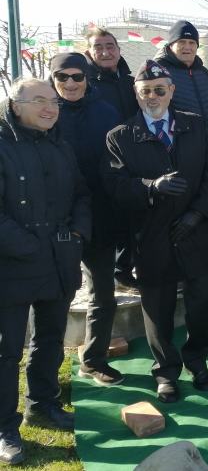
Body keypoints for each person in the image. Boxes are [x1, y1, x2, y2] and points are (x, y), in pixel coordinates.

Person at [103, 60, 208, 403]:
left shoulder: (196, 126)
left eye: (159, 89)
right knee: (157, 308)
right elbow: (115, 186)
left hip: (195, 230)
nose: (153, 96)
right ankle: (166, 371)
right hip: (151, 235)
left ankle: (198, 360)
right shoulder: (120, 137)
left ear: (171, 91)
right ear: (137, 95)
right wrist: (150, 186)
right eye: (145, 91)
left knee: (203, 301)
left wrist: (198, 214)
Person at [0, 79, 90, 466]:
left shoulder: (61, 146)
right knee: (6, 352)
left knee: (50, 339)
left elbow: (82, 195)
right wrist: (28, 246)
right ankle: (4, 428)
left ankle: (44, 403)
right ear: (15, 105)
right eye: (39, 101)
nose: (50, 107)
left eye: (53, 101)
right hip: (13, 265)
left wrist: (78, 233)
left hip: (60, 259)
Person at [50, 53, 125, 386]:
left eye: (77, 76)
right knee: (56, 298)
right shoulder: (44, 113)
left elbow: (119, 160)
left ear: (87, 77)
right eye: (62, 76)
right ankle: (46, 377)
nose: (70, 83)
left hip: (101, 215)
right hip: (56, 221)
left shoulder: (106, 112)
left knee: (103, 294)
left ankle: (93, 359)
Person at [82, 26, 138, 289]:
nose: (105, 52)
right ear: (89, 52)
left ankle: (125, 269)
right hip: (99, 162)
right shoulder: (85, 84)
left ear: (118, 50)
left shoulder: (131, 81)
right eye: (99, 47)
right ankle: (110, 275)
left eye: (110, 46)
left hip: (133, 158)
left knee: (131, 217)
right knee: (107, 221)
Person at [154, 20, 208, 153]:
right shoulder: (159, 72)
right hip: (179, 150)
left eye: (192, 43)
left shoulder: (203, 73)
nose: (187, 47)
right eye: (182, 42)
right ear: (171, 45)